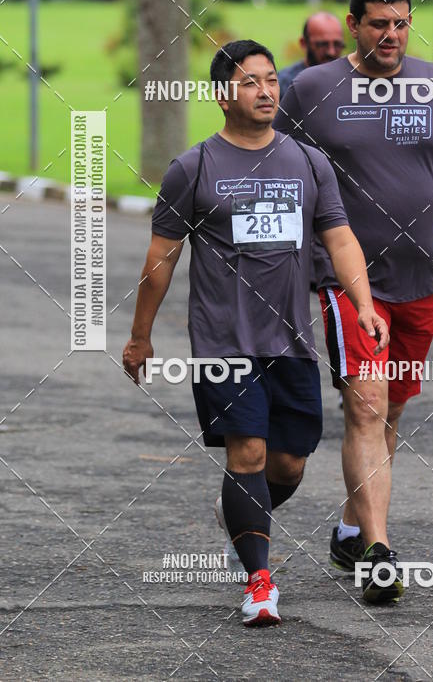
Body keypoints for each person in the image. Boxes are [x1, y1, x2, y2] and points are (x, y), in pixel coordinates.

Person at [122, 39, 389, 626]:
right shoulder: (191, 169)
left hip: (291, 340)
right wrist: (140, 337)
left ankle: (242, 514)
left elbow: (340, 238)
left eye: (271, 80)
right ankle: (260, 583)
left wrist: (363, 304)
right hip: (224, 340)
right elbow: (160, 261)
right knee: (248, 451)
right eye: (250, 83)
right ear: (223, 96)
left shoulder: (307, 162)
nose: (267, 91)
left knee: (288, 463)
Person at [274, 0, 433, 604]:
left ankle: (350, 529)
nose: (393, 35)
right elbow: (275, 168)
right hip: (346, 281)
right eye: (379, 24)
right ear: (353, 25)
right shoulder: (313, 89)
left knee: (393, 408)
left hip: (419, 277)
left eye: (402, 23)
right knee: (366, 407)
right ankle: (378, 552)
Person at [278, 12, 345, 98]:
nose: (331, 52)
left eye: (337, 44)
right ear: (304, 43)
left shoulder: (353, 82)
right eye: (322, 44)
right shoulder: (283, 84)